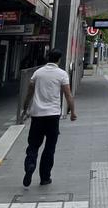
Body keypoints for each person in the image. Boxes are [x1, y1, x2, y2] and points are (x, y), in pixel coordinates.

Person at [21, 49, 77, 187]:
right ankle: (45, 177)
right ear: (59, 60)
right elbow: (68, 94)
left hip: (37, 115)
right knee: (49, 148)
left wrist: (25, 108)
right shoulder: (62, 74)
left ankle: (30, 164)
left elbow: (29, 92)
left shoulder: (38, 73)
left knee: (33, 145)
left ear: (47, 58)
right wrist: (73, 112)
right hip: (53, 116)